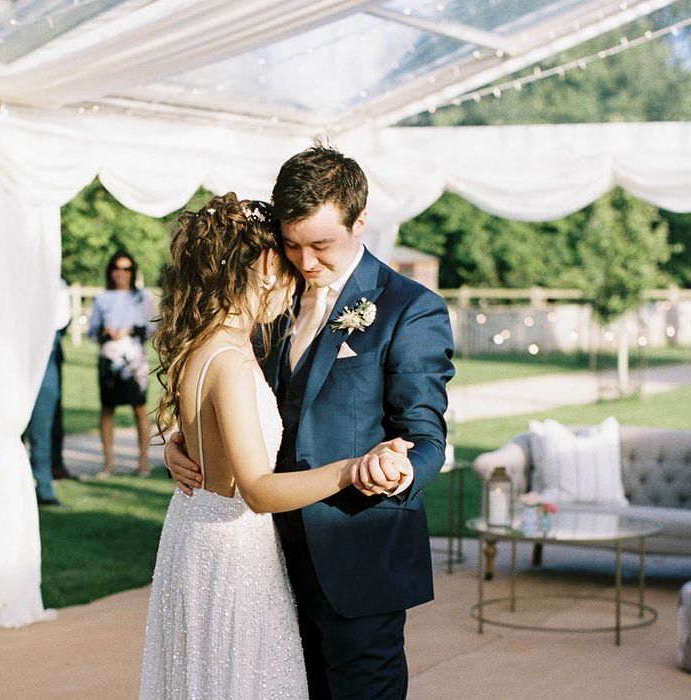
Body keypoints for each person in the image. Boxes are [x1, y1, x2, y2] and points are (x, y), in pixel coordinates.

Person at [167, 146, 455, 698]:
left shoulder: (409, 309)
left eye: (321, 245)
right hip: (262, 562)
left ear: (359, 221)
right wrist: (185, 443)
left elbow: (425, 436)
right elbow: (237, 400)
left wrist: (396, 471)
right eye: (292, 244)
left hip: (357, 557)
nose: (306, 261)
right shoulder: (264, 296)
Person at [88, 251, 155, 477]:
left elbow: (152, 327)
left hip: (134, 359)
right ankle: (108, 463)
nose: (121, 273)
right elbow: (92, 331)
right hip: (109, 358)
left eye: (126, 268)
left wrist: (130, 330)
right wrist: (105, 332)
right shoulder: (102, 298)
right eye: (117, 268)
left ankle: (143, 462)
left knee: (139, 408)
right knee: (107, 409)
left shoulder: (141, 297)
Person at [26, 278, 72, 506]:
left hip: (45, 355)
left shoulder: (57, 283)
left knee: (41, 428)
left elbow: (60, 320)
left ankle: (44, 487)